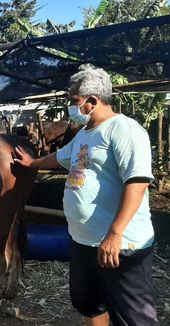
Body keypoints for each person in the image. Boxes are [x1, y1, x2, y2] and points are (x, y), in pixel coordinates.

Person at [14, 65, 159, 326]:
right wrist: (31, 164)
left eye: (74, 101)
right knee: (89, 304)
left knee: (134, 317)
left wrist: (115, 233)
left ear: (92, 101)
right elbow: (60, 158)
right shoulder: (84, 133)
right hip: (83, 242)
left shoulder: (124, 130)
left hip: (120, 246)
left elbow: (137, 182)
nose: (71, 107)